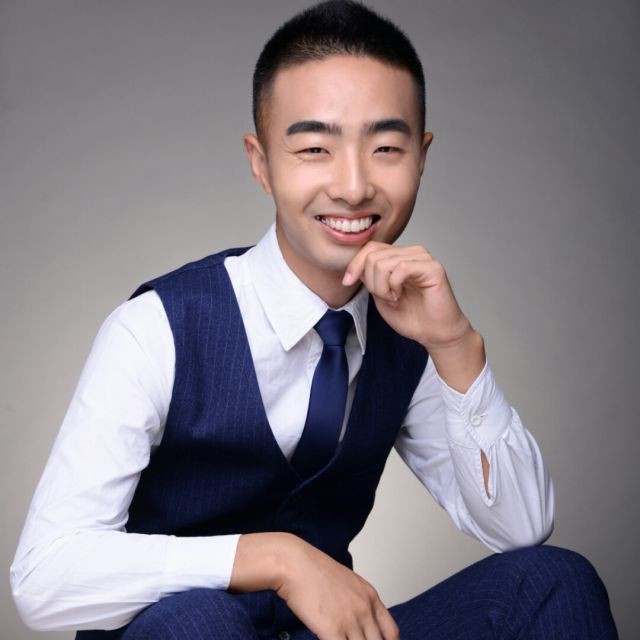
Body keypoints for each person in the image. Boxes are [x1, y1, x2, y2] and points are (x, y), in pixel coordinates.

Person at [10, 1, 617, 638]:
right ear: (261, 163)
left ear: (421, 157)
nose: (353, 186)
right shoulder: (159, 328)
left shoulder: (407, 333)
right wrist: (276, 559)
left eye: (385, 147)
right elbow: (45, 577)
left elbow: (520, 528)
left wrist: (455, 344)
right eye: (315, 148)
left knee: (553, 581)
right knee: (200, 620)